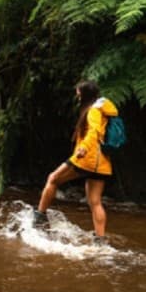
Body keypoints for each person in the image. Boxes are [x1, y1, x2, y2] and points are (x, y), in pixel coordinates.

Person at [33, 80, 118, 241]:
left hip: (87, 158)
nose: (77, 95)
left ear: (85, 94)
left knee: (53, 178)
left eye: (79, 92)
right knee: (95, 201)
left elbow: (94, 132)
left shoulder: (93, 111)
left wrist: (84, 148)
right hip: (102, 163)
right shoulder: (101, 109)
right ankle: (100, 241)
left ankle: (39, 219)